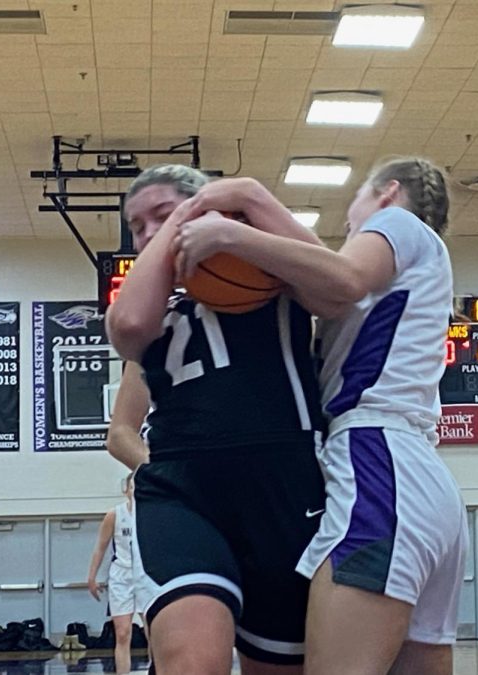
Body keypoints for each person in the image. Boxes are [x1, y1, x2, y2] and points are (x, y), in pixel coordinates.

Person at [170, 156, 468, 675]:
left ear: (387, 193)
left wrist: (231, 234)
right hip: (419, 481)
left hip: (379, 466)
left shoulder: (395, 222)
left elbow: (346, 276)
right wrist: (253, 199)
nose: (350, 222)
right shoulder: (407, 272)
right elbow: (330, 274)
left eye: (356, 202)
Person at [106, 164, 327, 675]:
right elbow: (128, 327)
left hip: (284, 480)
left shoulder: (268, 270)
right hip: (183, 486)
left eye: (160, 214)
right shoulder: (152, 307)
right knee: (193, 660)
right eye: (136, 228)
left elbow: (342, 281)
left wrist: (243, 210)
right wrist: (149, 467)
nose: (147, 234)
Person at [86, 473, 148, 675]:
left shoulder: (150, 513)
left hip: (145, 575)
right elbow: (100, 548)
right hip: (121, 576)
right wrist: (92, 577)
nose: (134, 491)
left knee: (153, 633)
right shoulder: (115, 514)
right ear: (126, 490)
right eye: (131, 487)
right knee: (122, 633)